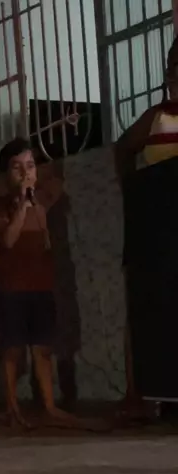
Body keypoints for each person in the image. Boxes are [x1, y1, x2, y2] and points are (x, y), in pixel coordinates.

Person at [0, 138, 73, 428]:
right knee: (12, 351)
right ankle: (12, 407)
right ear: (6, 175)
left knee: (43, 349)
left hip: (41, 287)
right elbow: (8, 241)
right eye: (17, 167)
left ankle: (49, 406)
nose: (26, 173)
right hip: (12, 289)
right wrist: (23, 206)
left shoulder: (43, 203)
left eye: (30, 166)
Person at [115, 36, 178, 410]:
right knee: (159, 308)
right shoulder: (155, 117)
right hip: (162, 231)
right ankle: (152, 396)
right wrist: (134, 193)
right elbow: (123, 149)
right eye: (174, 66)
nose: (176, 74)